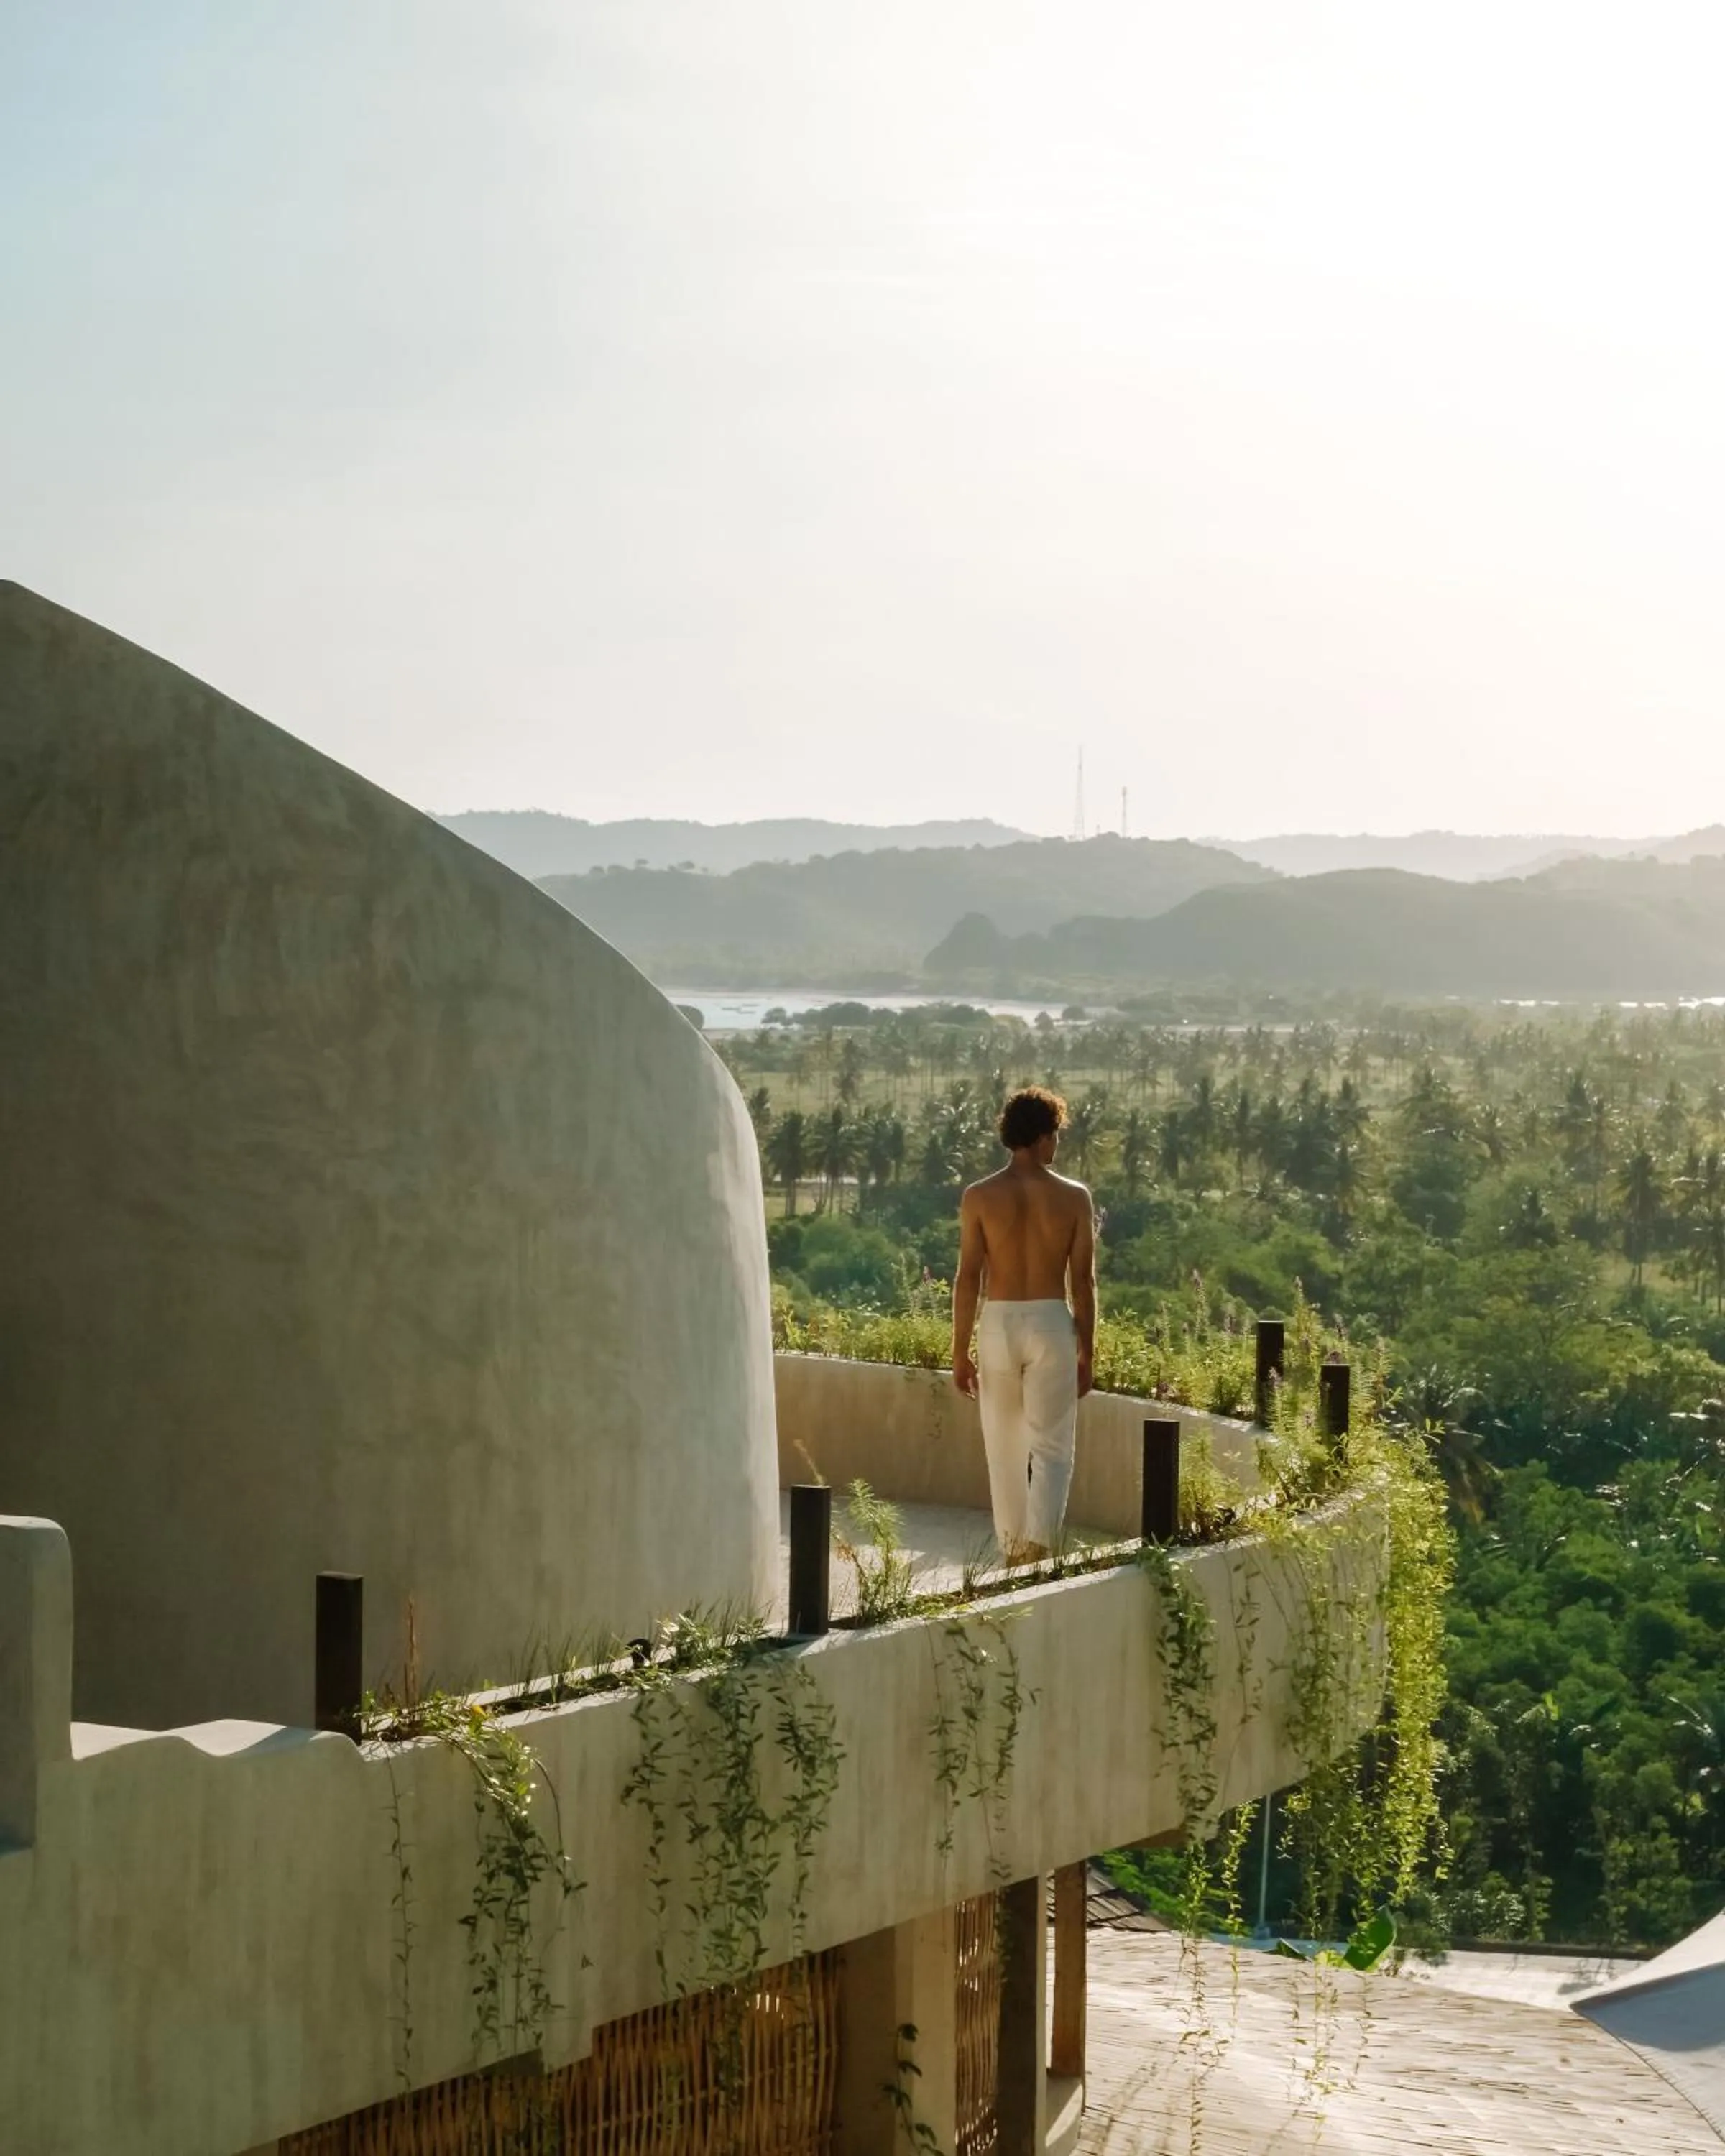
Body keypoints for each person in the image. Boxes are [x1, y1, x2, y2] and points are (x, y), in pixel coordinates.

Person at [951, 1086, 1095, 1561]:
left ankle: (1013, 1550)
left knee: (1003, 1447)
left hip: (998, 1321)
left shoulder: (979, 1196)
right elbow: (1084, 1281)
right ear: (1040, 1136)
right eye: (1055, 1135)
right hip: (1052, 1320)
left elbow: (968, 1277)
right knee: (1053, 1447)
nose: (1057, 1145)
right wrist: (1087, 1351)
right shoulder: (1075, 1197)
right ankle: (1040, 1545)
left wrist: (959, 1352)